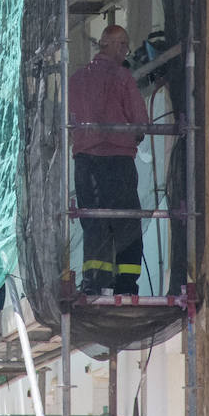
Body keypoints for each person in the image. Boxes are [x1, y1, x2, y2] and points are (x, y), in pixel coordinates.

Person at [68, 24, 149, 296]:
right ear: (114, 46)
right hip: (118, 162)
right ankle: (126, 285)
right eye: (124, 45)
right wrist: (134, 137)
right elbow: (140, 123)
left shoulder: (76, 80)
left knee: (94, 222)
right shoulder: (123, 77)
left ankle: (94, 280)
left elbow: (68, 123)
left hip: (86, 163)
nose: (126, 50)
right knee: (126, 222)